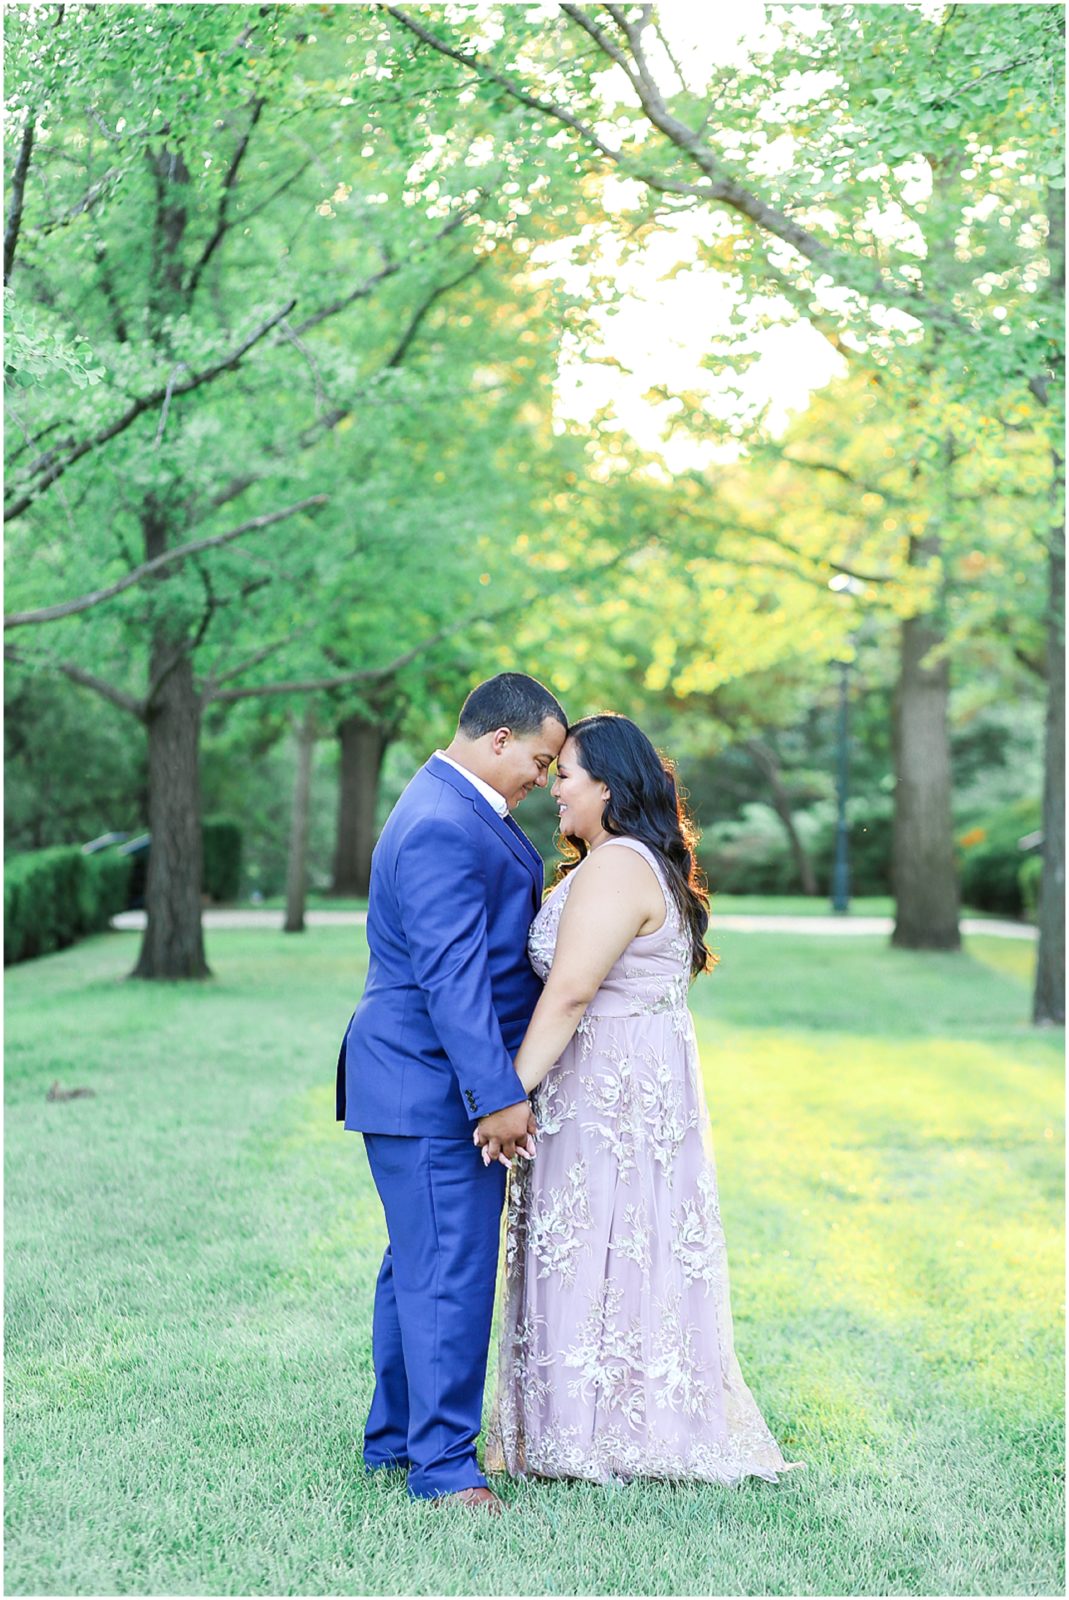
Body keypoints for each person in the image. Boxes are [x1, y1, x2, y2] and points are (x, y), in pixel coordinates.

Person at [481, 713, 800, 1486]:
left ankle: (610, 1432)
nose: (554, 787)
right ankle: (593, 1420)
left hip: (609, 1090)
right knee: (605, 1241)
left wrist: (502, 1095)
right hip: (616, 1080)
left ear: (608, 786)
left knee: (606, 1237)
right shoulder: (620, 861)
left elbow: (569, 995)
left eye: (566, 775)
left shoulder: (621, 864)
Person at [336, 672, 566, 1513]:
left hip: (417, 1079)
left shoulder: (451, 805)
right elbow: (452, 978)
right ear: (498, 739)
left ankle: (394, 1441)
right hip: (429, 1080)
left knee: (419, 1265)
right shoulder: (440, 821)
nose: (542, 779)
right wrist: (496, 1096)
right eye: (539, 760)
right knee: (449, 1271)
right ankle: (441, 1469)